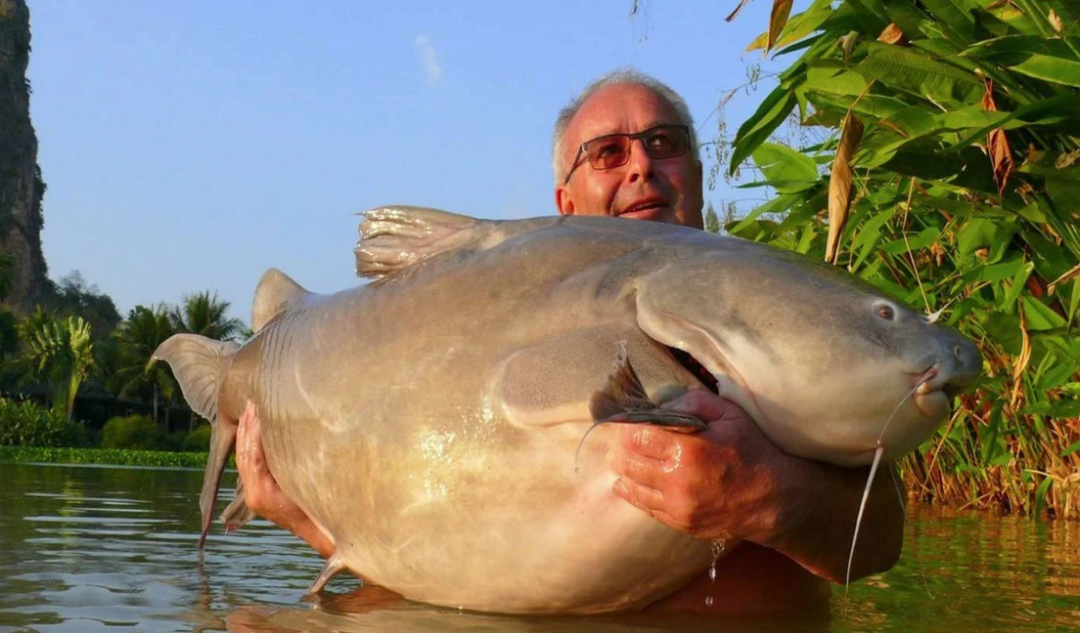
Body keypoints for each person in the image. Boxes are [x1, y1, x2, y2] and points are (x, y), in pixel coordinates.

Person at [235, 70, 905, 613]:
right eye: (608, 153)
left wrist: (762, 491)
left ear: (697, 175)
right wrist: (304, 520)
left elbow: (881, 537)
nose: (641, 164)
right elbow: (434, 579)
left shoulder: (778, 319)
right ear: (563, 202)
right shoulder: (463, 342)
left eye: (665, 142)